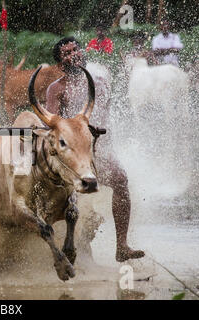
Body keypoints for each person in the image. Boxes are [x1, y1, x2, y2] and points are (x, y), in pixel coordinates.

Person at [45, 37, 145, 262]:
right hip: (72, 153)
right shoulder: (56, 88)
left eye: (75, 49)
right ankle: (71, 245)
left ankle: (122, 246)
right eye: (67, 53)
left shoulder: (99, 81)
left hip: (98, 149)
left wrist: (101, 136)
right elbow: (53, 123)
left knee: (120, 179)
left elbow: (104, 115)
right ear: (61, 63)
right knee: (71, 196)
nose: (74, 54)